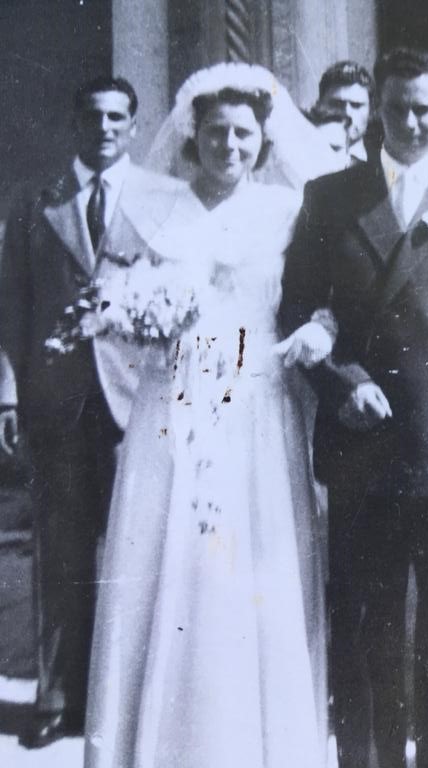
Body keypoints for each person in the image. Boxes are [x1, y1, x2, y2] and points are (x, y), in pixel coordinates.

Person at [83, 63, 335, 768]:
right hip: (173, 412)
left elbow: (314, 300)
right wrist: (141, 323)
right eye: (216, 131)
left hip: (254, 409)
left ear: (263, 141)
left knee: (249, 575)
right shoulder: (150, 205)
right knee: (169, 566)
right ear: (193, 135)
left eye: (244, 134)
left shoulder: (288, 212)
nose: (230, 145)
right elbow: (107, 305)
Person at [279, 48, 428, 768]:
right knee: (365, 625)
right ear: (373, 110)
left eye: (422, 107)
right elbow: (294, 311)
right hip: (364, 444)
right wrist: (341, 382)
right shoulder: (329, 196)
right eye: (394, 108)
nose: (409, 122)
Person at [0, 75, 182, 749]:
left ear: (133, 126)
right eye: (92, 116)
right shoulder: (33, 204)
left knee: (138, 548)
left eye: (116, 117)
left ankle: (127, 694)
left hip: (137, 400)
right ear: (74, 123)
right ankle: (56, 697)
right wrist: (8, 393)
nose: (104, 128)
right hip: (58, 402)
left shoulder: (164, 201)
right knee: (61, 550)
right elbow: (9, 308)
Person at [312, 60, 374, 165]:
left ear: (371, 111)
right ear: (319, 107)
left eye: (356, 105)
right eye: (337, 104)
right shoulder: (302, 158)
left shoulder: (383, 164)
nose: (347, 113)